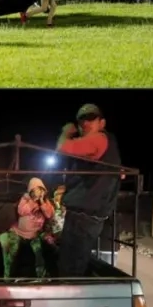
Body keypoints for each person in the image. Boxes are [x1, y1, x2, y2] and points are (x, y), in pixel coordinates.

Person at [56, 104, 124, 277]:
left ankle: (69, 300)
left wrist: (65, 133)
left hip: (84, 216)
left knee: (70, 268)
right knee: (75, 264)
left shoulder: (98, 139)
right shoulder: (106, 144)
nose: (85, 123)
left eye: (91, 118)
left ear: (102, 123)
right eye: (82, 120)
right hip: (88, 215)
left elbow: (62, 149)